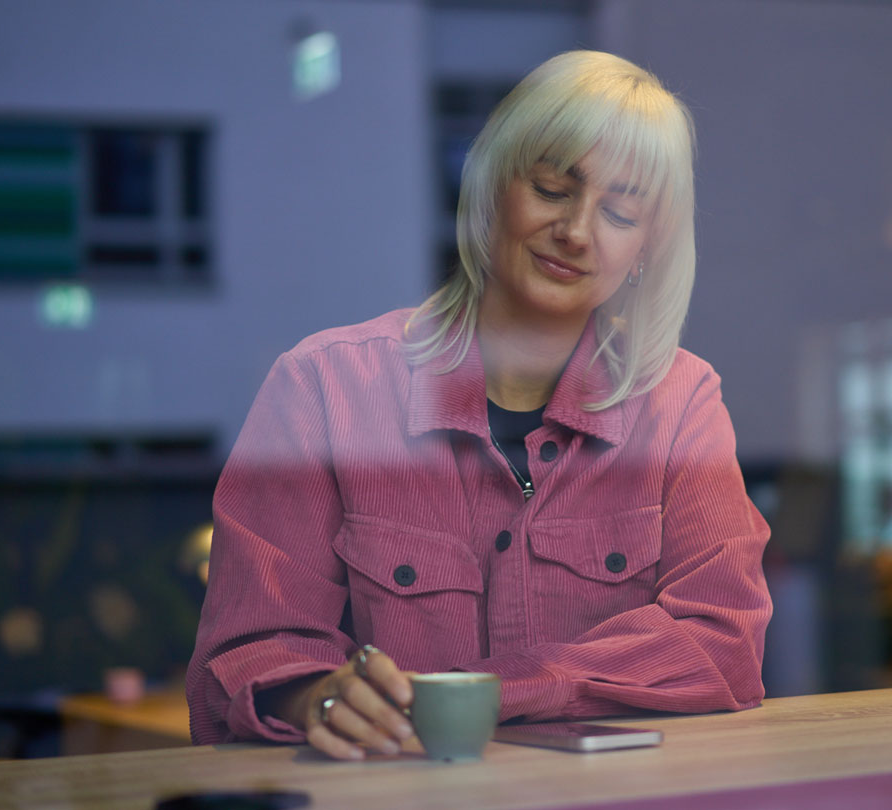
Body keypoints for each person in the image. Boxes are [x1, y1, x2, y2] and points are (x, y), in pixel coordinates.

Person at [187, 50, 772, 760]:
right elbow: (247, 653)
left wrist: (499, 687)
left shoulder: (680, 402)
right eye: (555, 188)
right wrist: (321, 697)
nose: (578, 232)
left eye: (620, 211)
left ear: (646, 248)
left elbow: (723, 640)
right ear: (496, 184)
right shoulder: (321, 389)